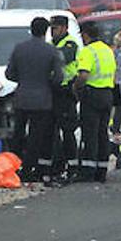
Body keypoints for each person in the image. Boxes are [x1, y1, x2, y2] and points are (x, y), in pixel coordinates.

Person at [6, 17, 61, 183]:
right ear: (46, 31)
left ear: (31, 29)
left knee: (18, 133)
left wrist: (23, 80)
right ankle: (31, 168)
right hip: (42, 99)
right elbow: (59, 77)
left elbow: (9, 73)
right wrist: (46, 83)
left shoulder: (19, 48)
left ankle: (14, 165)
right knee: (37, 135)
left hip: (21, 97)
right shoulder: (51, 51)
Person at [73, 22, 116, 182]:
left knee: (90, 134)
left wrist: (75, 87)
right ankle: (101, 170)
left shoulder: (88, 51)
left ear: (85, 34)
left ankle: (88, 171)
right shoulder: (107, 50)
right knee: (102, 133)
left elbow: (83, 75)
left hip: (92, 95)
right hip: (107, 94)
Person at [48, 14, 80, 179]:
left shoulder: (70, 44)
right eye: (51, 28)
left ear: (65, 28)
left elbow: (61, 59)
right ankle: (57, 165)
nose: (53, 31)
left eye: (56, 28)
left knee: (67, 131)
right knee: (52, 131)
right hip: (52, 92)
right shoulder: (51, 45)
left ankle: (72, 166)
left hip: (66, 92)